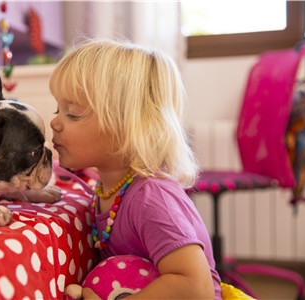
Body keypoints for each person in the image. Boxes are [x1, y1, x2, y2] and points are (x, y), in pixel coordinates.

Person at [49, 39, 222, 299]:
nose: (54, 122)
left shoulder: (152, 197)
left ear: (127, 128)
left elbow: (195, 287)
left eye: (72, 114)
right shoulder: (107, 186)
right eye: (58, 109)